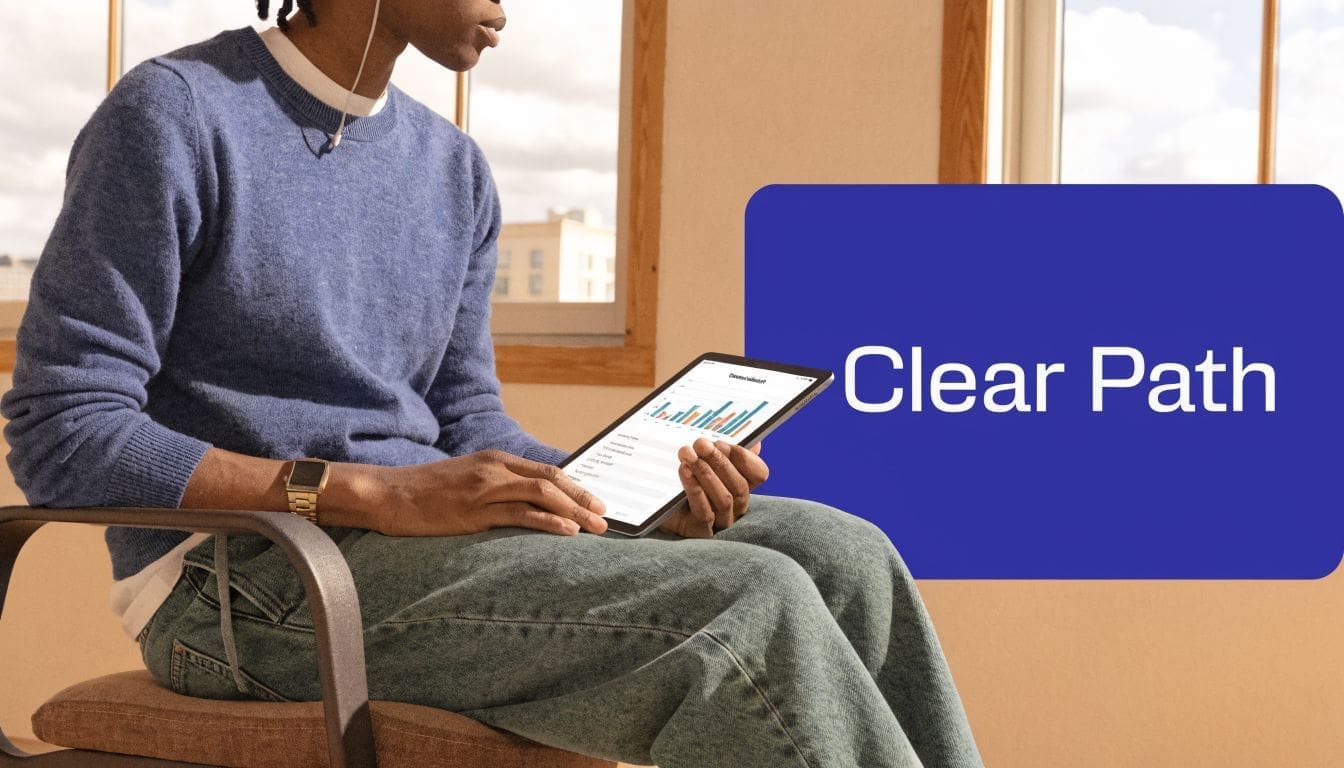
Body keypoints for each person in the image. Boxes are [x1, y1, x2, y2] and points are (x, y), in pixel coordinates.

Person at [1, 1, 983, 766]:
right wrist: (375, 493)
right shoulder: (176, 114)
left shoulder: (452, 169)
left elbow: (469, 422)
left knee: (844, 551)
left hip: (414, 544)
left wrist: (636, 505)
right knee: (745, 604)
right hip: (245, 583)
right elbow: (64, 431)